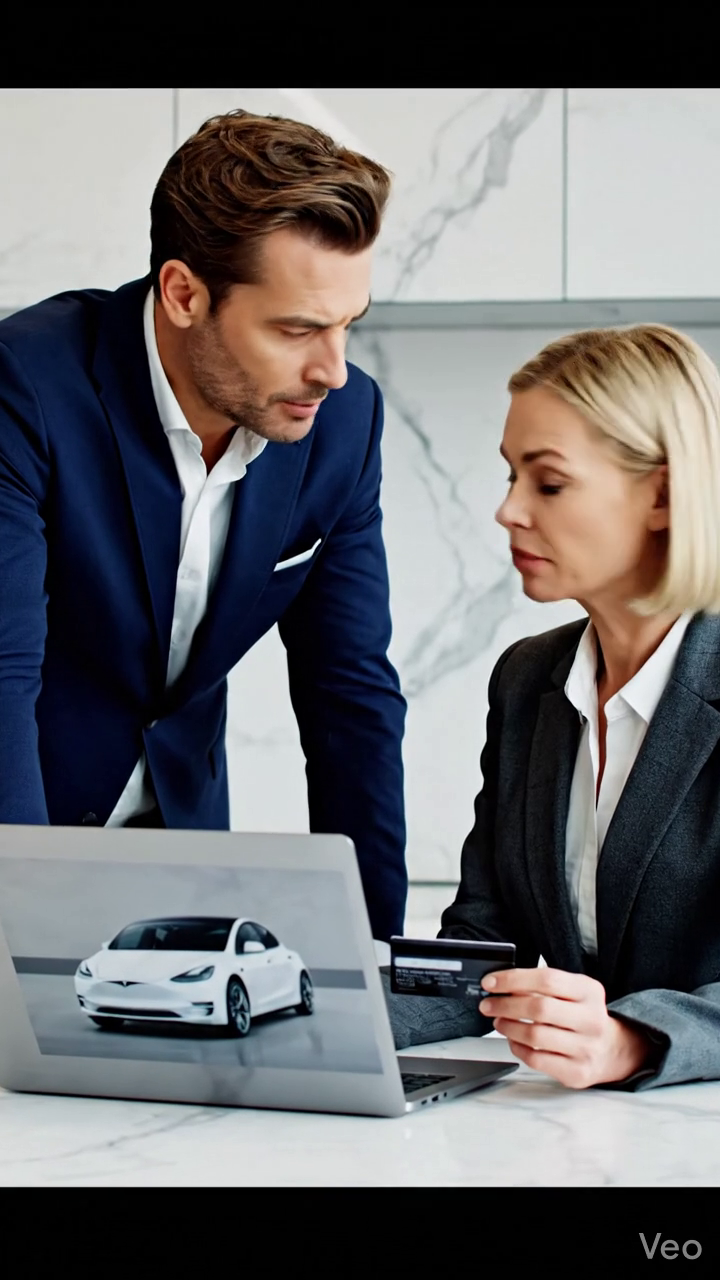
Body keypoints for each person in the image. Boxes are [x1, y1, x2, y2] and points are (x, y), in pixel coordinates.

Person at [0, 109, 407, 942]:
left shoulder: (342, 422)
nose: (332, 369)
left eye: (346, 325)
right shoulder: (26, 388)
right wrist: (24, 939)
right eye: (296, 329)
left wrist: (375, 959)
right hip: (20, 835)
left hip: (176, 865)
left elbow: (351, 693)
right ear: (183, 293)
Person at [385, 322, 720, 1087]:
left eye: (549, 482)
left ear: (663, 493)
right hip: (562, 1136)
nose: (508, 511)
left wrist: (630, 1040)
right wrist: (314, 1009)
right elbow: (481, 951)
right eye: (510, 477)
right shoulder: (527, 679)